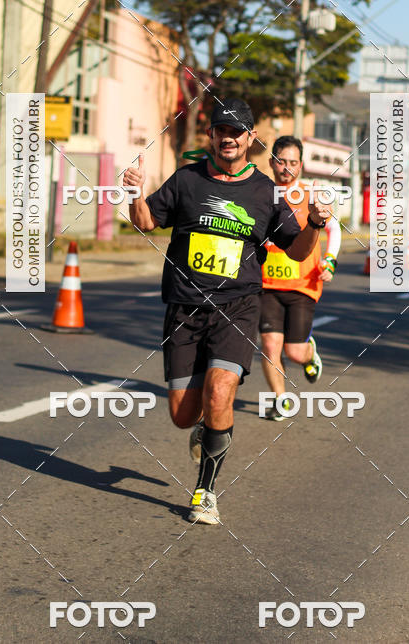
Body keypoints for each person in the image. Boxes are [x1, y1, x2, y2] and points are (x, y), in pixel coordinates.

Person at [122, 98, 332, 525]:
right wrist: (134, 193)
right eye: (222, 130)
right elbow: (145, 222)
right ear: (211, 135)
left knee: (220, 392)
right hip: (184, 308)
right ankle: (206, 427)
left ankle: (206, 491)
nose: (229, 138)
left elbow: (296, 251)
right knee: (182, 415)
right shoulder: (187, 180)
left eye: (237, 132)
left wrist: (314, 223)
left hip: (237, 308)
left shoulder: (265, 193)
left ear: (250, 138)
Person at [259, 136, 341, 420]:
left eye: (293, 162)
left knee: (294, 351)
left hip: (303, 285)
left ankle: (308, 354)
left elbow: (334, 229)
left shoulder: (310, 195)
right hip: (266, 285)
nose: (287, 168)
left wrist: (330, 260)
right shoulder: (260, 193)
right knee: (270, 344)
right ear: (271, 162)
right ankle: (281, 400)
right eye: (281, 161)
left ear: (301, 165)